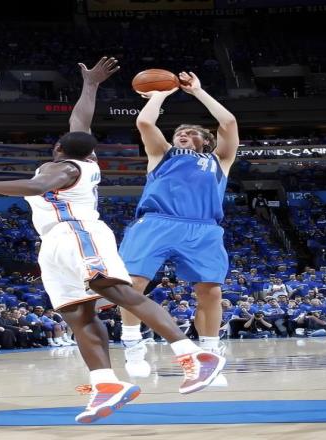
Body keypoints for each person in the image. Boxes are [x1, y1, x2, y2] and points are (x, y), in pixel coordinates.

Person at [0, 58, 225, 424]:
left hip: (77, 232)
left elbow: (36, 186)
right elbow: (80, 121)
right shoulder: (85, 158)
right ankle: (106, 383)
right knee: (77, 314)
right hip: (53, 242)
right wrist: (90, 85)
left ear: (59, 148)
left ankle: (193, 353)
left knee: (118, 291)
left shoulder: (65, 167)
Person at [118, 71, 238, 383]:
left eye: (191, 132)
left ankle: (209, 355)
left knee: (210, 291)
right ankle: (132, 345)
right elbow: (145, 123)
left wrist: (197, 91)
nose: (183, 134)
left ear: (206, 141)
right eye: (179, 132)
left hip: (203, 228)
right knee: (132, 283)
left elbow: (228, 122)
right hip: (156, 222)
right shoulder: (162, 154)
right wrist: (159, 94)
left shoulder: (219, 160)